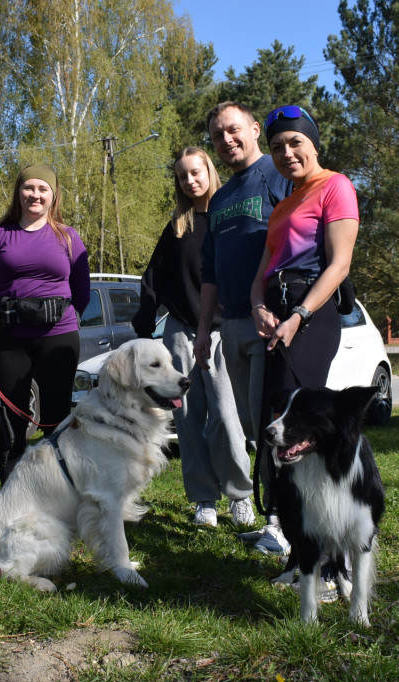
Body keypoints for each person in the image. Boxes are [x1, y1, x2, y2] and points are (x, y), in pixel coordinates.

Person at [249, 104, 360, 579]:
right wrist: (259, 306)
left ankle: (335, 566)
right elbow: (262, 273)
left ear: (314, 143)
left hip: (309, 316)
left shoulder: (336, 186)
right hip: (276, 317)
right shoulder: (282, 205)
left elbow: (339, 265)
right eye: (277, 147)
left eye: (295, 142)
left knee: (306, 435)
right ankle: (301, 556)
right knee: (278, 437)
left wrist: (297, 315)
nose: (287, 153)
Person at [132, 147, 255, 528]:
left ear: (209, 171)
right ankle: (203, 498)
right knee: (186, 417)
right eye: (183, 176)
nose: (190, 181)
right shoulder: (177, 227)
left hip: (221, 331)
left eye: (196, 172)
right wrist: (146, 313)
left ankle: (239, 495)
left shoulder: (229, 216)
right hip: (180, 332)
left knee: (225, 416)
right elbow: (154, 275)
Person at [192, 102, 293, 549]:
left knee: (278, 425)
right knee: (257, 430)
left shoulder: (279, 172)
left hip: (273, 322)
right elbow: (209, 272)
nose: (227, 140)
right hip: (231, 325)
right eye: (218, 136)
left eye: (234, 130)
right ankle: (279, 515)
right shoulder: (221, 198)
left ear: (254, 129)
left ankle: (285, 522)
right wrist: (201, 332)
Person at [0, 164, 90, 484]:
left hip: (58, 338)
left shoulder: (68, 236)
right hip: (10, 338)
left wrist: (67, 318)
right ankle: (11, 493)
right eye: (29, 188)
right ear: (18, 193)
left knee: (57, 419)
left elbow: (82, 290)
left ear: (53, 196)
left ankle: (60, 490)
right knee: (12, 419)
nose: (35, 194)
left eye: (43, 189)